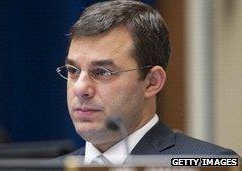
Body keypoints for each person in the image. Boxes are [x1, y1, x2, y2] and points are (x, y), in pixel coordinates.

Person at [56, 0, 238, 165]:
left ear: (152, 82)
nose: (80, 88)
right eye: (73, 70)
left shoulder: (206, 165)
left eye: (102, 72)